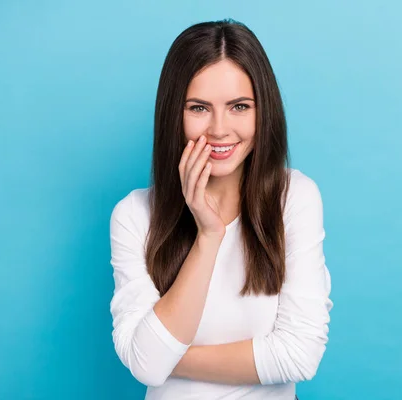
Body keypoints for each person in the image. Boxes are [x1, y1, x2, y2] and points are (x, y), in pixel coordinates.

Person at [109, 19, 333, 400]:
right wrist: (209, 236)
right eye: (198, 108)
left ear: (263, 112)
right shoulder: (134, 216)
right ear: (173, 115)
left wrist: (169, 357)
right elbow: (147, 365)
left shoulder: (294, 197)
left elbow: (300, 355)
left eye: (239, 107)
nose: (219, 129)